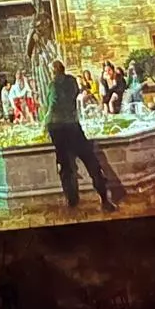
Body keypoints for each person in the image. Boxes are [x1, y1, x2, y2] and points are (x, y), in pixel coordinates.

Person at [45, 59, 117, 212]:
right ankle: (104, 200)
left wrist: (44, 124)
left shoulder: (53, 84)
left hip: (57, 128)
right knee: (91, 162)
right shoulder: (71, 81)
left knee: (65, 166)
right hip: (73, 126)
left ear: (52, 71)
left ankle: (72, 201)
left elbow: (52, 105)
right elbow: (74, 95)